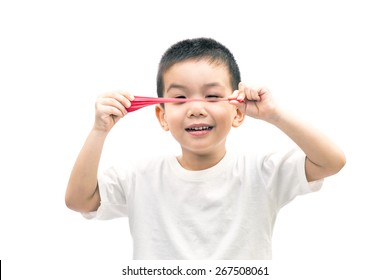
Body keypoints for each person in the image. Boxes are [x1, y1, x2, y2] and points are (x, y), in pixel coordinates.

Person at [65, 37, 346, 259]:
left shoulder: (263, 172)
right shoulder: (140, 176)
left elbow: (331, 162)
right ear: (162, 116)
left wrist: (274, 114)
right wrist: (99, 130)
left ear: (238, 113)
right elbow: (79, 200)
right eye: (180, 98)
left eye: (212, 96)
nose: (196, 108)